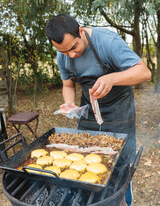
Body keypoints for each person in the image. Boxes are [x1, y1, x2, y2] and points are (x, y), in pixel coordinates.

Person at [46, 14, 151, 206]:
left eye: (73, 48)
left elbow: (144, 72)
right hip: (89, 112)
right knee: (85, 156)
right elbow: (68, 85)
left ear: (81, 31)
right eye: (63, 51)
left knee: (121, 165)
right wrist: (69, 103)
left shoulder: (107, 41)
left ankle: (124, 202)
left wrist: (111, 79)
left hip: (119, 110)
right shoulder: (63, 54)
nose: (70, 55)